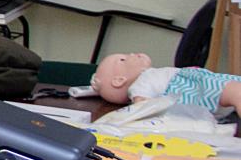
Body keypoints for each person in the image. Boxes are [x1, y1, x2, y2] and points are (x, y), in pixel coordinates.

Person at [92, 52, 241, 113]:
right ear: (119, 80)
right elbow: (143, 107)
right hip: (197, 90)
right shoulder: (141, 84)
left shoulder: (149, 75)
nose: (131, 54)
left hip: (203, 86)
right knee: (236, 92)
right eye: (123, 59)